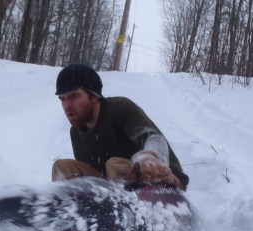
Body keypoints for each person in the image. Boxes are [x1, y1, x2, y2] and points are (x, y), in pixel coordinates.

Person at [52, 63, 189, 191]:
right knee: (62, 167)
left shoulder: (119, 108)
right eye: (62, 99)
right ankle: (72, 211)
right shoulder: (77, 131)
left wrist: (150, 157)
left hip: (163, 180)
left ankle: (134, 211)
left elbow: (155, 138)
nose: (67, 105)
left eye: (74, 96)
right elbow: (94, 176)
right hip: (114, 188)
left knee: (114, 165)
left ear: (94, 96)